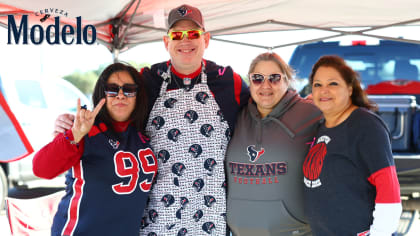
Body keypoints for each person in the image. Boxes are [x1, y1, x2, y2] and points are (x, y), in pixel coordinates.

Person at [53, 4, 249, 235]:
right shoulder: (147, 81)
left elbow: (261, 115)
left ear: (206, 39)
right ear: (167, 43)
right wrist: (69, 122)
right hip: (158, 217)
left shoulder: (229, 82)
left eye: (193, 34)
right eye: (177, 35)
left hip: (210, 215)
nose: (185, 41)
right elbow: (111, 110)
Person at [33, 63, 158, 236]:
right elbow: (41, 169)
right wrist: (73, 135)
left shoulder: (144, 134)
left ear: (138, 96)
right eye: (112, 89)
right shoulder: (85, 130)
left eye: (129, 89)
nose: (120, 95)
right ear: (102, 94)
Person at [302, 55, 402, 235]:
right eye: (318, 84)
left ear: (349, 88)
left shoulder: (366, 125)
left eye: (333, 84)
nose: (324, 90)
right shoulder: (321, 126)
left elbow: (389, 189)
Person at [225, 52, 322, 236]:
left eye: (275, 78)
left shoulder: (311, 112)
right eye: (257, 78)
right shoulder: (236, 115)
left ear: (287, 80)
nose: (265, 85)